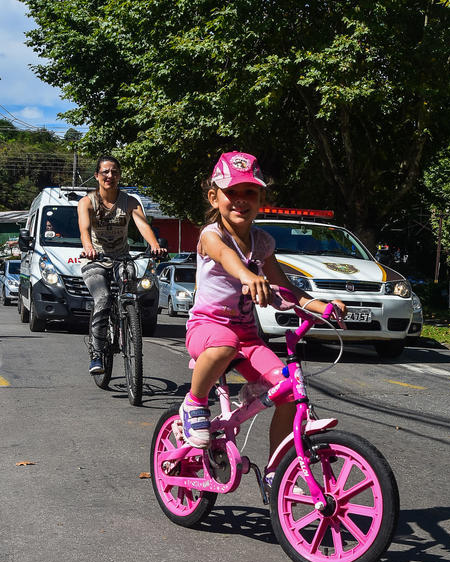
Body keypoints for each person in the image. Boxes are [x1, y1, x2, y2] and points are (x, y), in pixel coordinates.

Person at [181, 150, 346, 480]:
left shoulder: (263, 243)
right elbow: (227, 257)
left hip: (247, 336)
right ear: (214, 198)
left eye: (250, 193)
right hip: (207, 328)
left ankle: (278, 472)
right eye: (231, 193)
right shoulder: (211, 235)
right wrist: (247, 276)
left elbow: (287, 288)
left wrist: (321, 305)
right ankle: (194, 402)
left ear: (261, 200)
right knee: (225, 343)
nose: (240, 200)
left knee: (286, 389)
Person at [78, 155, 164, 375]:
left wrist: (154, 245)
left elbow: (143, 225)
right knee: (103, 298)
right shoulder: (87, 202)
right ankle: (97, 353)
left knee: (129, 292)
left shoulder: (130, 201)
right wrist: (89, 247)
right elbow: (84, 230)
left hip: (122, 258)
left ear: (120, 175)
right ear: (97, 176)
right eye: (105, 172)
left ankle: (127, 322)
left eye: (114, 171)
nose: (110, 176)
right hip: (95, 260)